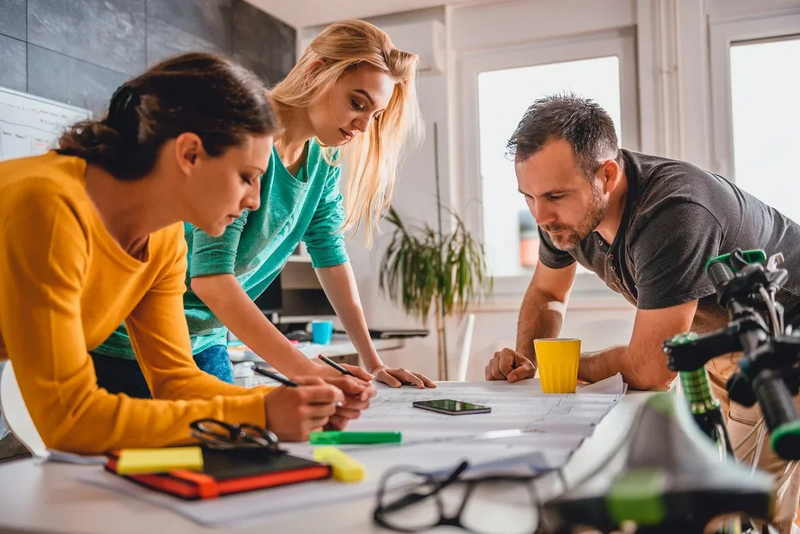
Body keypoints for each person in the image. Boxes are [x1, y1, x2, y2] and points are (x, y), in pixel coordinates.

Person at [0, 53, 362, 454]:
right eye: (247, 177)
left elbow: (175, 380)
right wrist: (259, 416)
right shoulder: (51, 208)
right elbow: (68, 419)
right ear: (190, 153)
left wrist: (282, 404)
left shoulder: (164, 241)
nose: (256, 201)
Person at [483, 94, 800, 532]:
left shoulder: (674, 211)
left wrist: (566, 363)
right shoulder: (565, 218)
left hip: (785, 345)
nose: (540, 215)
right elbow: (546, 291)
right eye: (529, 197)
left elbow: (652, 369)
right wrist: (529, 359)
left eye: (554, 196)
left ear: (607, 175)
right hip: (722, 342)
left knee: (740, 506)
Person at [91, 20, 435, 394]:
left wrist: (373, 363)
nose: (364, 126)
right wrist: (305, 370)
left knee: (232, 446)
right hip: (127, 340)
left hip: (204, 340)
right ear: (316, 71)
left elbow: (330, 254)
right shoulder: (244, 135)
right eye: (357, 103)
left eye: (376, 114)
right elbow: (212, 278)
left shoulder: (323, 161)